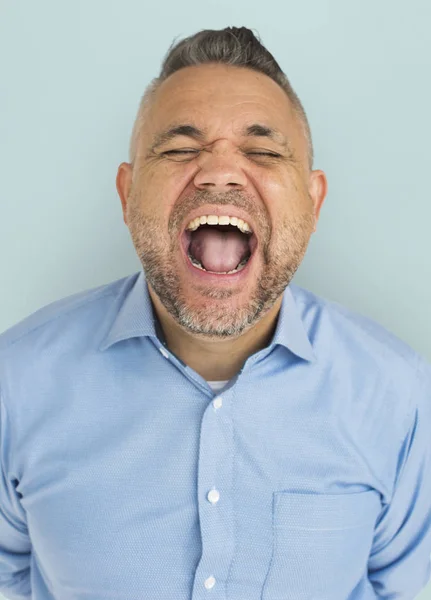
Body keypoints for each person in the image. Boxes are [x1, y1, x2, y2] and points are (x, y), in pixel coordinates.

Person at [0, 26, 430, 600]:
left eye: (263, 151)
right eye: (180, 149)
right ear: (127, 197)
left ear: (314, 200)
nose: (220, 174)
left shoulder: (398, 396)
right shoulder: (15, 381)